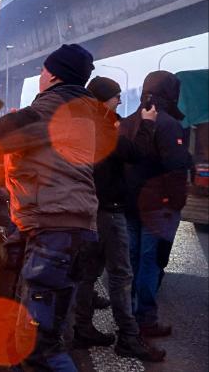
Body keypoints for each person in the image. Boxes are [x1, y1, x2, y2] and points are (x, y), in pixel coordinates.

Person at [0, 44, 99, 370]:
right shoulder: (80, 111)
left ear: (53, 75)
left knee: (40, 348)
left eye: (43, 70)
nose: (40, 76)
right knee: (39, 336)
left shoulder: (49, 109)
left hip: (55, 235)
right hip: (66, 232)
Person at [71, 76, 165, 361]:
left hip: (89, 207)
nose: (120, 100)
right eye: (116, 96)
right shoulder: (103, 128)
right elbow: (135, 154)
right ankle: (128, 337)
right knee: (121, 275)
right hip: (109, 211)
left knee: (88, 273)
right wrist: (147, 123)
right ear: (103, 99)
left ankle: (83, 329)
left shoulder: (83, 124)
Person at [121, 70, 192, 338]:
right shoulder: (169, 124)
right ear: (170, 91)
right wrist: (177, 202)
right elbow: (175, 167)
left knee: (132, 261)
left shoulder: (128, 121)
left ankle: (127, 316)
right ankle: (146, 320)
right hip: (157, 206)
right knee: (151, 262)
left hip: (130, 203)